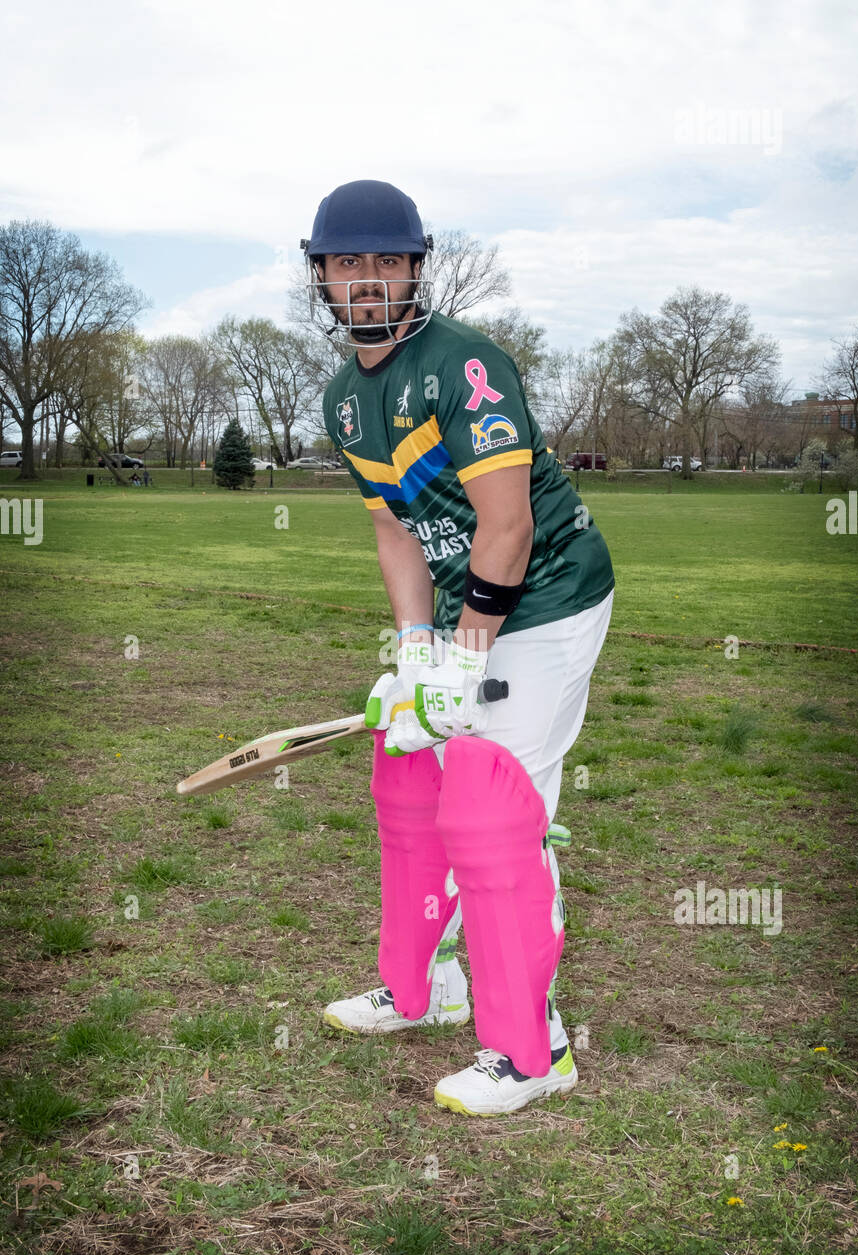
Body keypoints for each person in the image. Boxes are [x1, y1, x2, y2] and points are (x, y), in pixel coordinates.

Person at [304, 180, 615, 1116]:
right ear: (320, 275)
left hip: (549, 595)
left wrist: (466, 660)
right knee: (410, 776)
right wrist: (414, 656)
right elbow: (398, 533)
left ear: (415, 270)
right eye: (348, 264)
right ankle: (423, 989)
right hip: (466, 607)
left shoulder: (463, 365)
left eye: (387, 262)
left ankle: (535, 1048)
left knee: (492, 801)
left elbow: (509, 528)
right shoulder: (342, 400)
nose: (368, 281)